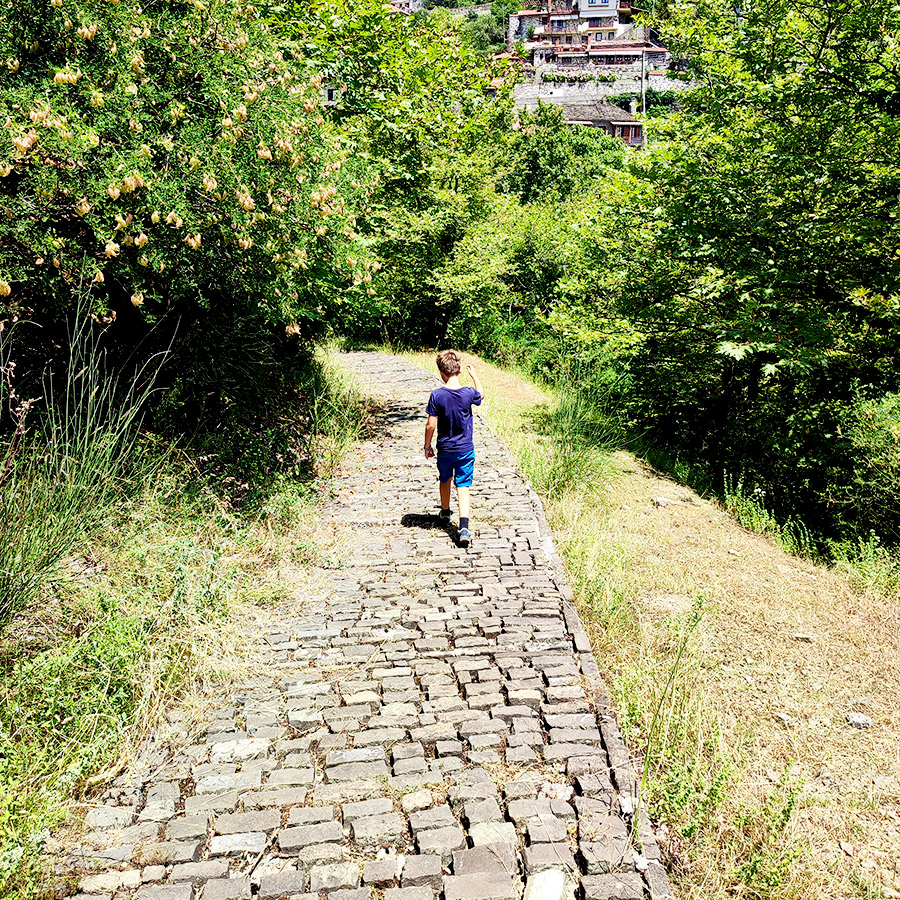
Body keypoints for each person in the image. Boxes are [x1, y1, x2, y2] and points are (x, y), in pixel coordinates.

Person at [424, 350, 485, 547]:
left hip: (445, 449)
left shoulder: (437, 395)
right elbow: (481, 394)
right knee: (463, 484)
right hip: (465, 449)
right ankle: (464, 527)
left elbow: (430, 425)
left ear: (441, 372)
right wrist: (474, 376)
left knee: (445, 479)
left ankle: (445, 512)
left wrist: (427, 446)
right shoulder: (468, 393)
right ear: (459, 371)